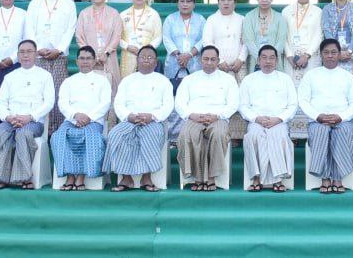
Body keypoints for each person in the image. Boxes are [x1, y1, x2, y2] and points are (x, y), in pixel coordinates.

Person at [0, 39, 56, 189]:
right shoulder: (10, 76)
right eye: (22, 52)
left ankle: (23, 178)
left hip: (34, 122)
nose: (25, 55)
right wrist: (8, 117)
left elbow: (49, 102)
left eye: (29, 52)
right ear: (18, 55)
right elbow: (1, 102)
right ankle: (1, 176)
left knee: (23, 134)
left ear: (35, 54)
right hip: (11, 119)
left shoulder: (45, 76)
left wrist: (30, 117)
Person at [106, 44, 174, 191]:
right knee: (115, 134)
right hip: (130, 120)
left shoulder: (163, 81)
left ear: (156, 62)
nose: (146, 60)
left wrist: (153, 116)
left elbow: (168, 105)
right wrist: (128, 116)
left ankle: (146, 178)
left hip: (153, 121)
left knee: (149, 135)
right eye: (143, 57)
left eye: (150, 57)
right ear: (137, 60)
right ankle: (126, 178)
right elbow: (118, 103)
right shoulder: (127, 80)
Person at [299, 38, 353, 193]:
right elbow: (303, 101)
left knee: (342, 132)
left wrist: (341, 117)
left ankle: (338, 178)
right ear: (321, 54)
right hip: (317, 120)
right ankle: (325, 178)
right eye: (326, 52)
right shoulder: (311, 75)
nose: (330, 56)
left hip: (342, 120)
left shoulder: (349, 77)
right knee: (321, 132)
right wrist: (318, 116)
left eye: (334, 52)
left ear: (339, 54)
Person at [174, 44, 239, 190]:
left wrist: (218, 115)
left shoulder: (228, 80)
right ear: (200, 60)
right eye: (206, 59)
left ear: (218, 61)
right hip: (194, 117)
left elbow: (233, 103)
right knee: (186, 134)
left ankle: (210, 177)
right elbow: (179, 103)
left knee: (218, 134)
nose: (209, 62)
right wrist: (192, 115)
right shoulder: (189, 79)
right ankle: (197, 177)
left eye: (213, 59)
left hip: (218, 118)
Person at [51, 45, 112, 189]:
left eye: (88, 58)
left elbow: (105, 103)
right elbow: (62, 103)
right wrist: (75, 115)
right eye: (82, 58)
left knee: (90, 136)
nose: (85, 61)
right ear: (76, 61)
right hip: (72, 119)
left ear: (94, 61)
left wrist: (88, 117)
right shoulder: (69, 81)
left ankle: (81, 177)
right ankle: (70, 176)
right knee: (58, 137)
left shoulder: (102, 80)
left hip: (93, 121)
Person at [25, 0, 76, 136]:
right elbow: (29, 28)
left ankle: (57, 131)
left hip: (59, 57)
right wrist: (37, 48)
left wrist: (59, 49)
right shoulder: (35, 3)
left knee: (58, 92)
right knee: (38, 92)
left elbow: (70, 29)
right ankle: (39, 128)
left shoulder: (68, 4)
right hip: (39, 56)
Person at [239, 44, 297, 191]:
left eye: (272, 58)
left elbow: (292, 105)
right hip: (256, 121)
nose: (268, 61)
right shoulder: (249, 80)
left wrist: (279, 119)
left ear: (277, 60)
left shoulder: (285, 79)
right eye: (264, 58)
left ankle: (278, 180)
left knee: (279, 135)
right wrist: (257, 119)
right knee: (252, 136)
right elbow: (243, 106)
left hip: (278, 121)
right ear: (258, 60)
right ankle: (256, 178)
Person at [283, 0, 323, 135]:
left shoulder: (318, 11)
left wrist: (307, 55)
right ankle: (293, 132)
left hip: (311, 57)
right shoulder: (287, 11)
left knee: (309, 91)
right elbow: (283, 35)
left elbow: (319, 34)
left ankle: (309, 132)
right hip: (291, 58)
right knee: (292, 92)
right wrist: (289, 55)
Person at [162, 0, 205, 119]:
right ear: (178, 3)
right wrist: (179, 55)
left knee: (193, 93)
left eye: (189, 1)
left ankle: (192, 120)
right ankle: (173, 127)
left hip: (194, 62)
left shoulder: (201, 20)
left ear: (194, 4)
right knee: (173, 94)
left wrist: (189, 55)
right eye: (182, 1)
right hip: (174, 62)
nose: (185, 4)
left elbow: (204, 39)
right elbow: (166, 38)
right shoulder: (170, 19)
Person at [75, 0, 123, 91]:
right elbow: (79, 36)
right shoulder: (84, 14)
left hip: (109, 58)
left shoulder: (114, 13)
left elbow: (117, 36)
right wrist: (90, 55)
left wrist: (106, 53)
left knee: (110, 90)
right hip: (88, 59)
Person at [201, 0, 247, 84]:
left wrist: (241, 59)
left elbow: (247, 42)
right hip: (217, 65)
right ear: (218, 3)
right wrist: (220, 61)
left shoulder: (241, 19)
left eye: (229, 0)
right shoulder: (211, 19)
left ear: (235, 3)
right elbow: (207, 42)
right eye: (223, 0)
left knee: (240, 90)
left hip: (239, 67)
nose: (226, 3)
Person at [119, 0, 162, 81]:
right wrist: (127, 46)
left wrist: (147, 49)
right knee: (128, 84)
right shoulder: (123, 15)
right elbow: (117, 36)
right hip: (128, 54)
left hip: (147, 56)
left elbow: (159, 36)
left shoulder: (154, 14)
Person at [243, 0, 285, 74]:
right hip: (256, 61)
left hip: (275, 62)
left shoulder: (280, 18)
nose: (264, 0)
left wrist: (271, 58)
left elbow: (281, 41)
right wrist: (260, 58)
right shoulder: (249, 17)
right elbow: (248, 40)